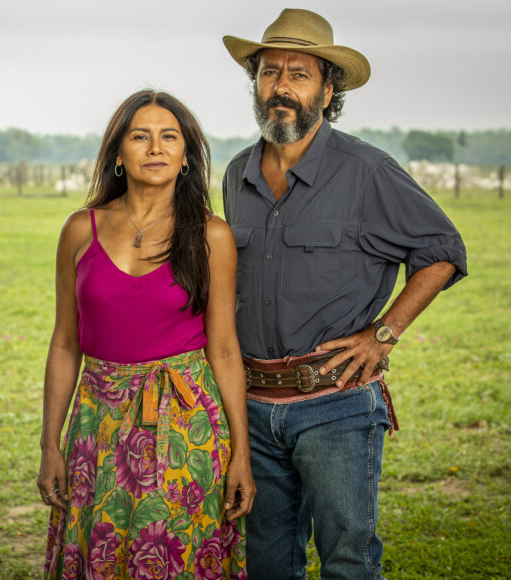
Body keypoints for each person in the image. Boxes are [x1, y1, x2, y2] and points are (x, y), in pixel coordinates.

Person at [222, 9, 467, 580]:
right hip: (254, 406)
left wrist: (383, 333)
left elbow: (443, 249)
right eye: (269, 72)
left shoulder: (367, 170)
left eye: (299, 74)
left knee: (348, 563)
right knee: (266, 565)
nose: (280, 87)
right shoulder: (237, 174)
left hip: (336, 405)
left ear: (328, 90)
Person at [36, 89, 255, 579]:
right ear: (118, 153)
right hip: (97, 426)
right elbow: (65, 343)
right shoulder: (80, 229)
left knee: (173, 557)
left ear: (184, 157)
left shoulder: (210, 234)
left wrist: (241, 453)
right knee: (99, 553)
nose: (155, 147)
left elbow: (222, 348)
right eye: (140, 136)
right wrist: (50, 443)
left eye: (168, 137)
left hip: (186, 429)